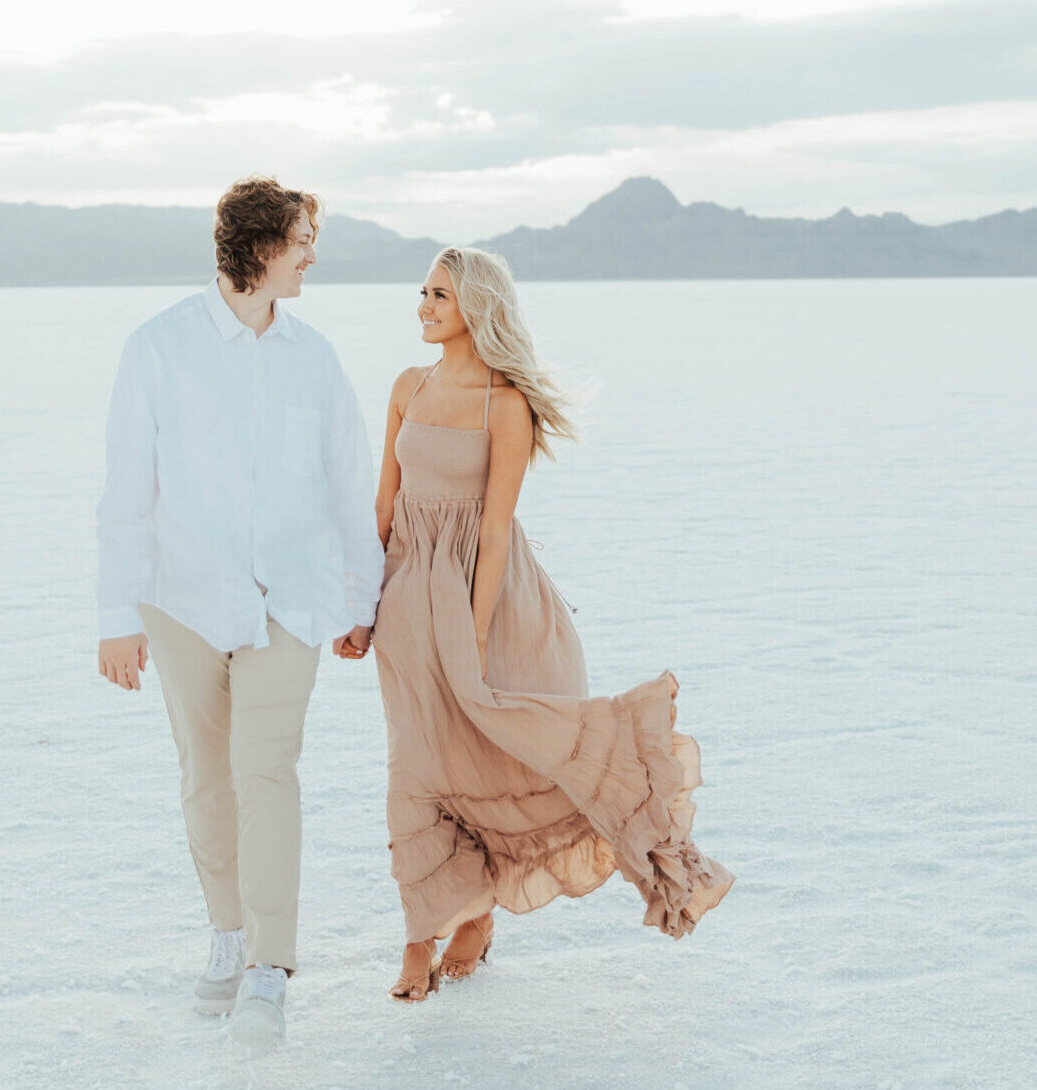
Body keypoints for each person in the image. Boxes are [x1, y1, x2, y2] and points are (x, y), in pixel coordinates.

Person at [367, 247, 733, 1002]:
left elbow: (495, 531)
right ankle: (419, 933)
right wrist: (358, 608)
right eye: (423, 293)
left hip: (489, 606)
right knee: (418, 765)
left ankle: (476, 916)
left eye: (439, 294)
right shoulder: (408, 386)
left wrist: (469, 637)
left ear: (477, 306)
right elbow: (382, 508)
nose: (423, 306)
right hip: (407, 602)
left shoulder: (506, 403)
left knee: (499, 762)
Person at [95, 177, 383, 1055]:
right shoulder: (158, 348)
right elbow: (125, 492)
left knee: (267, 771)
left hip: (292, 602)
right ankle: (227, 932)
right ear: (259, 247)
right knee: (205, 778)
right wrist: (117, 614)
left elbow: (348, 487)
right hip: (181, 599)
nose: (311, 256)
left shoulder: (315, 358)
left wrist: (359, 600)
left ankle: (269, 966)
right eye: (302, 240)